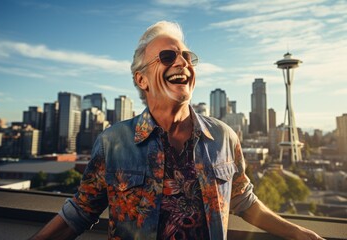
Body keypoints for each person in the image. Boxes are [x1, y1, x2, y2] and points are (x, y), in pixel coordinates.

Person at [30, 21, 324, 240]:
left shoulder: (224, 138)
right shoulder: (113, 143)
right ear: (142, 80)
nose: (182, 62)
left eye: (186, 56)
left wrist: (300, 234)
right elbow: (79, 213)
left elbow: (242, 200)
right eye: (168, 57)